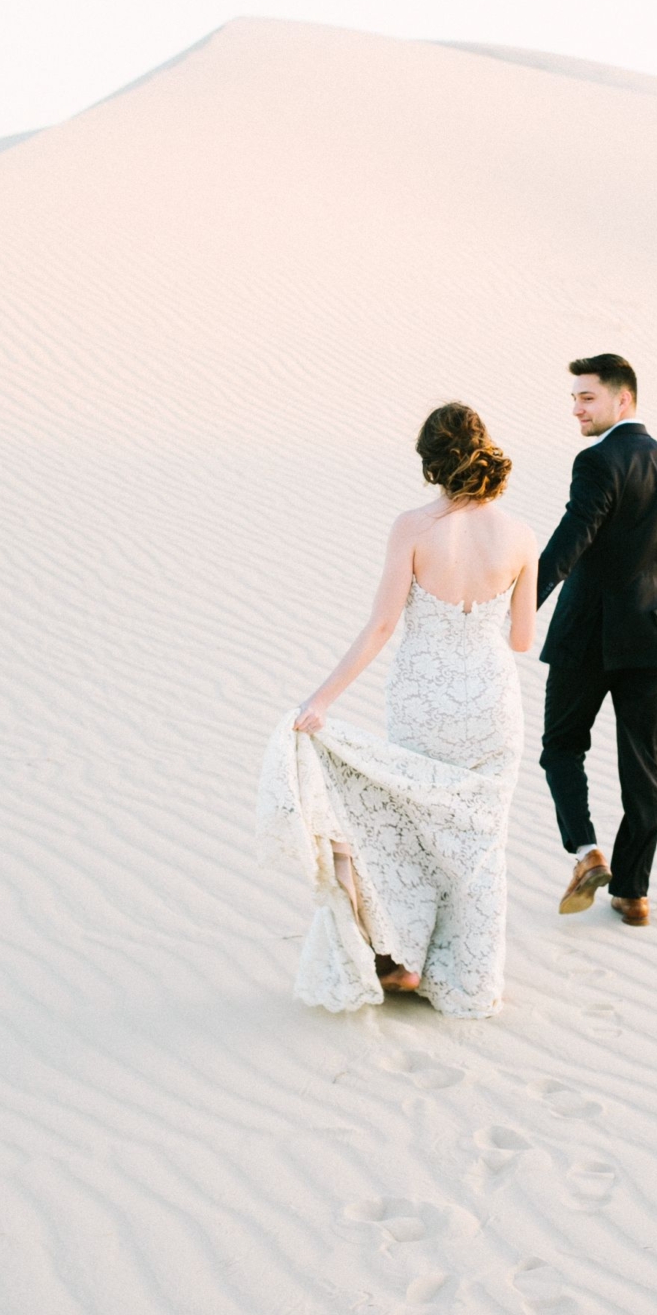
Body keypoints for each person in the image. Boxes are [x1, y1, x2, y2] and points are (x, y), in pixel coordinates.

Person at [256, 404, 537, 1017]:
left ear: (431, 463)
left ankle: (404, 959)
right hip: (491, 701)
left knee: (412, 829)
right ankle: (470, 983)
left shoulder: (412, 527)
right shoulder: (520, 536)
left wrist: (321, 699)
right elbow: (521, 640)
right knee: (480, 842)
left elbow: (383, 623)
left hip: (423, 698)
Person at [537, 354, 657, 927]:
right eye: (574, 398)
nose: (577, 408)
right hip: (652, 634)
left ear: (622, 400)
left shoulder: (597, 461)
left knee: (561, 747)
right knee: (643, 765)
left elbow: (570, 539)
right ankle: (633, 893)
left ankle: (586, 852)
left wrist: (521, 607)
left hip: (588, 636)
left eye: (588, 398)